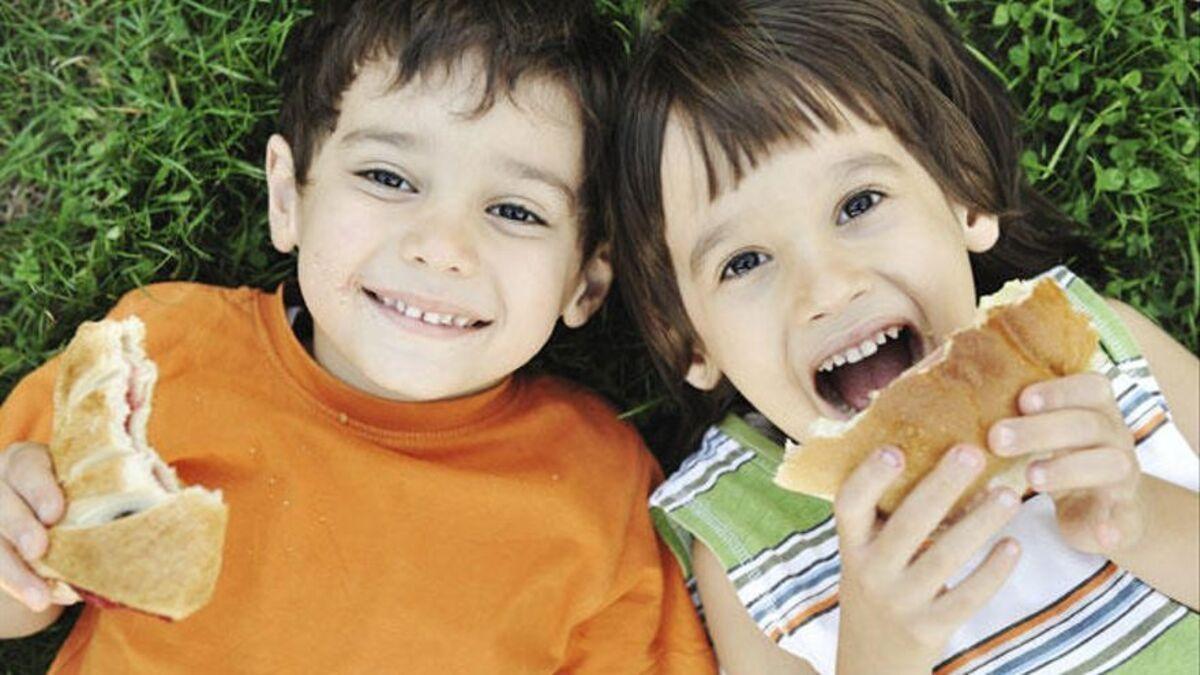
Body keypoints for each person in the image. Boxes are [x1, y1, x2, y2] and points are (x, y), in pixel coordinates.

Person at [0, 1, 717, 672]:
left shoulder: (602, 488)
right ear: (289, 199)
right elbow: (18, 593)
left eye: (516, 211)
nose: (442, 246)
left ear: (585, 284)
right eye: (387, 176)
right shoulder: (160, 353)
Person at [612, 0, 1199, 672]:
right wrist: (879, 654)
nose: (827, 288)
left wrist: (1144, 519)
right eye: (743, 261)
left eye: (858, 203)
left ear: (965, 195)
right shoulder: (747, 542)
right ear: (689, 340)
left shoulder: (1101, 350)